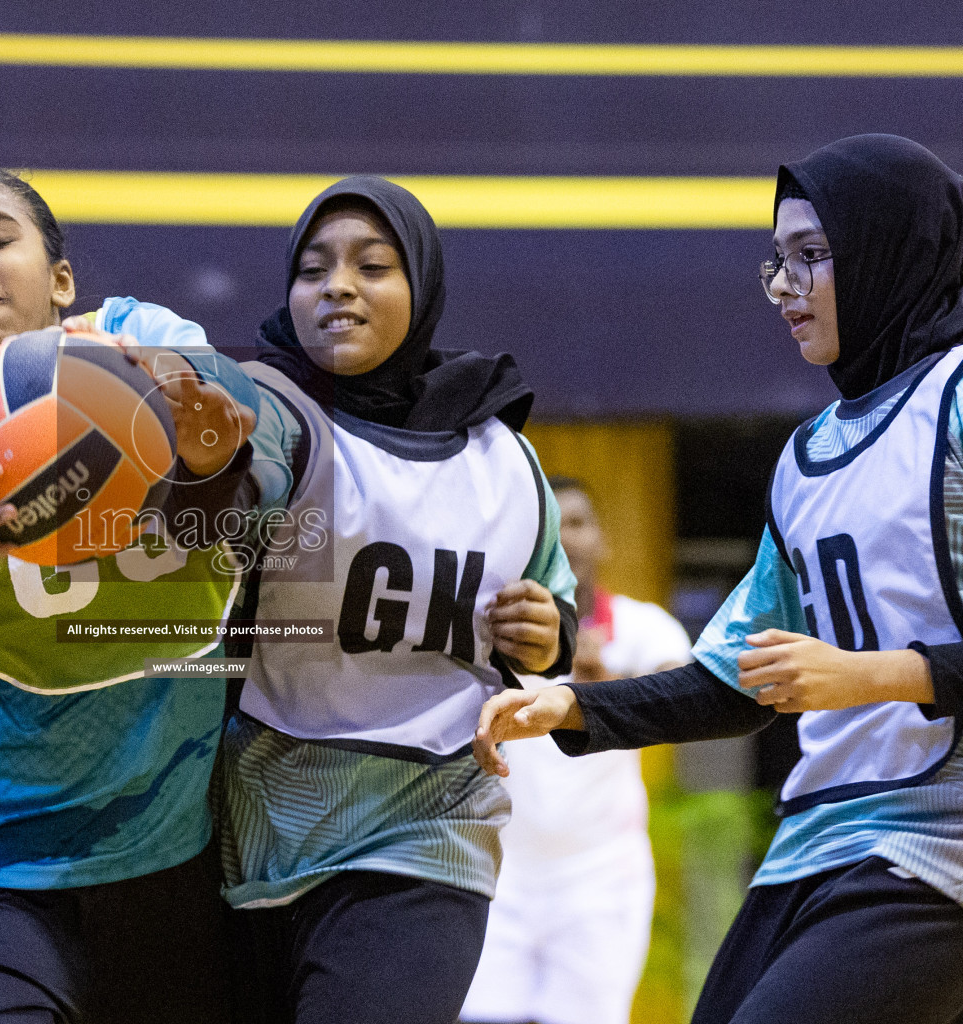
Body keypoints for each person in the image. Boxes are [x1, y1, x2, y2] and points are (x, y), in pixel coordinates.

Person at [475, 134, 963, 1024]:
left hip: (937, 841)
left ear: (897, 250)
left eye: (813, 256)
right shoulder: (809, 454)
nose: (784, 287)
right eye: (776, 260)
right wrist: (575, 710)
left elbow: (836, 675)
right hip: (816, 841)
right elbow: (740, 677)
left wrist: (878, 675)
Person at [0, 167, 260, 1024]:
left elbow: (234, 435)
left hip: (168, 847)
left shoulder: (133, 336)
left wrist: (203, 438)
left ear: (63, 280)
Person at [217, 176, 577, 1024]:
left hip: (429, 829)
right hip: (256, 825)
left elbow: (552, 599)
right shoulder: (264, 410)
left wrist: (545, 631)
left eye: (372, 266)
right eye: (313, 269)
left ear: (422, 287)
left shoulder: (502, 454)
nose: (337, 285)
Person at [462, 476, 691, 1024]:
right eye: (553, 526)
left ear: (604, 540)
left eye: (580, 522)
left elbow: (687, 701)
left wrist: (606, 690)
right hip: (498, 869)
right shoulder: (485, 633)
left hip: (601, 876)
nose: (567, 537)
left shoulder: (643, 627)